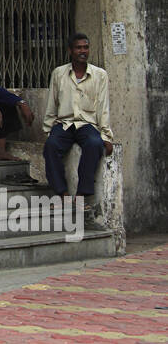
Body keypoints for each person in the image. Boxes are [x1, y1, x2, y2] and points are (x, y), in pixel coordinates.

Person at [43, 32, 113, 220]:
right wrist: (49, 130)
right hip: (64, 123)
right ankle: (63, 195)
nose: (83, 51)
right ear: (70, 51)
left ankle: (82, 196)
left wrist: (106, 136)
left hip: (87, 123)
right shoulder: (59, 73)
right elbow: (52, 102)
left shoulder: (100, 75)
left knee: (93, 144)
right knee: (51, 147)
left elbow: (103, 106)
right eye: (78, 48)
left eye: (86, 47)